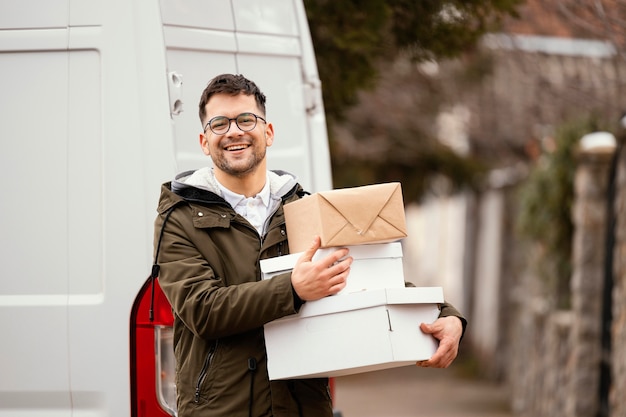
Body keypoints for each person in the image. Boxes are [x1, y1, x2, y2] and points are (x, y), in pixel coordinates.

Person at [154, 73, 467, 417]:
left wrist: (445, 315)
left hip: (303, 408)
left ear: (268, 132)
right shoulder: (178, 218)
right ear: (204, 141)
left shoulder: (304, 209)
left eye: (246, 119)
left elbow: (365, 276)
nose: (233, 131)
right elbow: (202, 309)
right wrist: (293, 289)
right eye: (219, 124)